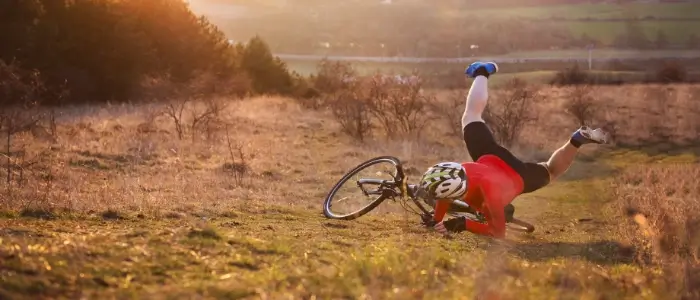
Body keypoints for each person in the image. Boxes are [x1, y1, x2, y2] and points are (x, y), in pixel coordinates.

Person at [420, 61, 609, 239]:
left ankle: (577, 141)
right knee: (471, 117)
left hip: (517, 177)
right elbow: (446, 188)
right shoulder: (457, 173)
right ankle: (482, 72)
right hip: (491, 157)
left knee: (551, 171)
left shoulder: (491, 195)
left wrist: (463, 224)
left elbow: (498, 233)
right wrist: (437, 219)